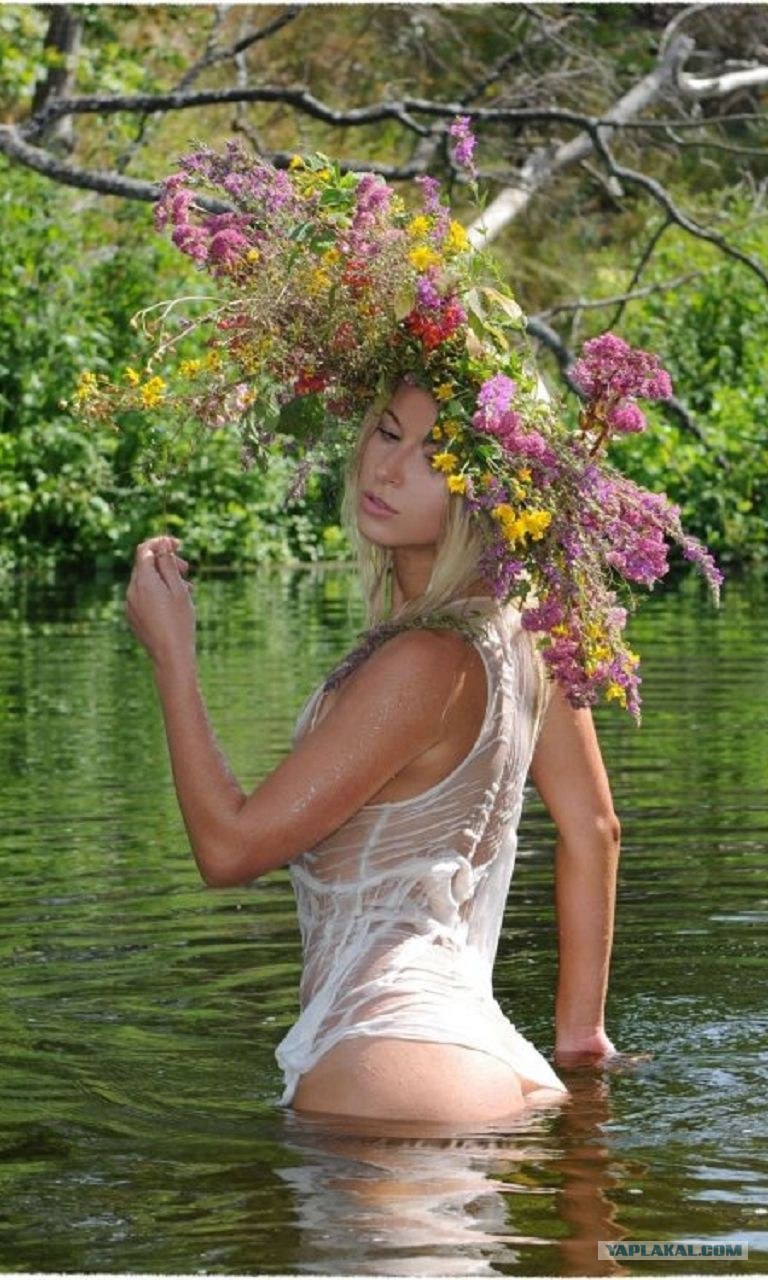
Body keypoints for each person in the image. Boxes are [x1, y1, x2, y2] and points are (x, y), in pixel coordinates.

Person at [125, 375, 621, 1126]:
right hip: (488, 1059)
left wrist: (174, 658)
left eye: (435, 457)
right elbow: (593, 829)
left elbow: (228, 850)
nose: (387, 468)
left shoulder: (425, 659)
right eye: (388, 434)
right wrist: (580, 1040)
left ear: (486, 496)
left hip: (390, 1053)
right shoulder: (526, 632)